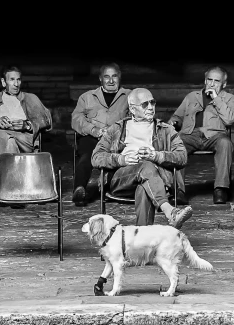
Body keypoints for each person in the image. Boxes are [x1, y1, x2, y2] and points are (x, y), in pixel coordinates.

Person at [92, 88, 193, 229]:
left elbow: (182, 157)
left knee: (144, 187)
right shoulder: (117, 129)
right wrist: (121, 159)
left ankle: (141, 240)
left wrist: (156, 155)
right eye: (145, 104)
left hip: (153, 180)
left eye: (153, 102)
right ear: (133, 109)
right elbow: (96, 157)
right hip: (123, 179)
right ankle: (169, 211)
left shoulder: (165, 130)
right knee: (146, 166)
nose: (151, 107)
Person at [0, 65, 52, 198]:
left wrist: (26, 125)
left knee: (1, 134)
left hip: (25, 141)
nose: (16, 84)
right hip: (2, 144)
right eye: (12, 79)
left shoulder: (30, 98)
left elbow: (46, 120)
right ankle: (13, 188)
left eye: (18, 80)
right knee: (8, 141)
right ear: (3, 82)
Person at [169, 66, 234, 204]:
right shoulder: (191, 97)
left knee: (225, 143)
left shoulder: (229, 98)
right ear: (205, 80)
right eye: (209, 80)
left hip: (215, 135)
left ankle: (220, 189)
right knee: (175, 144)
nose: (212, 84)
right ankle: (179, 191)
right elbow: (177, 116)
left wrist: (216, 98)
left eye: (216, 81)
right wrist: (172, 123)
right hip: (190, 134)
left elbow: (230, 119)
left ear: (224, 84)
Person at [71, 62, 131, 206]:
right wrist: (95, 130)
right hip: (92, 137)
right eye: (106, 77)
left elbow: (134, 118)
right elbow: (76, 119)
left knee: (114, 157)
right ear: (100, 79)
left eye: (114, 76)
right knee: (86, 157)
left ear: (119, 77)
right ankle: (79, 189)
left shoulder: (129, 96)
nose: (111, 81)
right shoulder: (87, 97)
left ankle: (111, 188)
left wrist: (116, 131)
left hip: (117, 140)